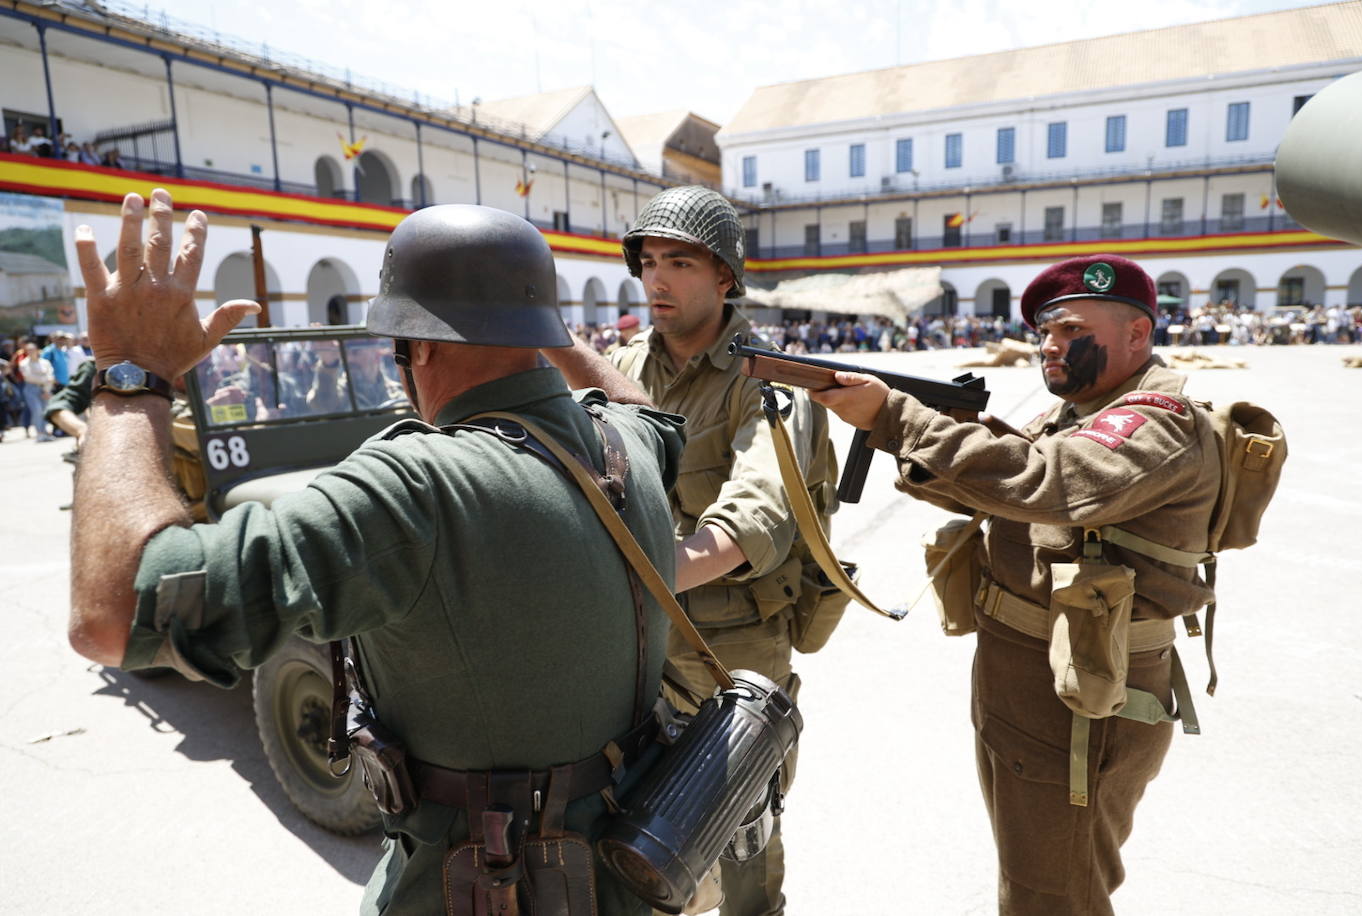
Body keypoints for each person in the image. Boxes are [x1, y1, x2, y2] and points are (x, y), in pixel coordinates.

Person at [67, 189, 686, 915]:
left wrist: (128, 372)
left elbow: (111, 614)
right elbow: (649, 413)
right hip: (633, 865)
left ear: (415, 347)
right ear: (538, 328)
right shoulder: (628, 445)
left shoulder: (416, 485)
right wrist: (540, 324)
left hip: (481, 887)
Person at [813, 254, 1223, 915]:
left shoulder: (1154, 420)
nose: (1050, 348)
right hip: (1027, 676)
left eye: (1068, 331)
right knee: (1031, 876)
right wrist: (906, 433)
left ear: (1137, 336)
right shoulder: (1080, 411)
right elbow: (1006, 487)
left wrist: (897, 418)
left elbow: (1045, 481)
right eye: (1044, 334)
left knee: (1054, 893)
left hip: (1084, 694)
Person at [591, 185, 837, 916]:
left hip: (729, 646)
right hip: (634, 638)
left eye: (681, 263)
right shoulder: (622, 365)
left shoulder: (771, 379)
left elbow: (754, 517)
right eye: (649, 262)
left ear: (726, 277)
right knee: (634, 829)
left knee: (737, 834)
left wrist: (639, 571)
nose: (658, 280)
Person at [18, 340, 56, 440]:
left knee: (45, 411)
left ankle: (45, 432)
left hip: (45, 389)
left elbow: (51, 376)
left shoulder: (45, 362)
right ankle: (39, 433)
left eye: (32, 349)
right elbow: (29, 377)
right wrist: (45, 379)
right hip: (31, 389)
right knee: (37, 411)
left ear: (37, 350)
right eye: (28, 350)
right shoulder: (23, 363)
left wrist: (47, 390)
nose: (31, 352)